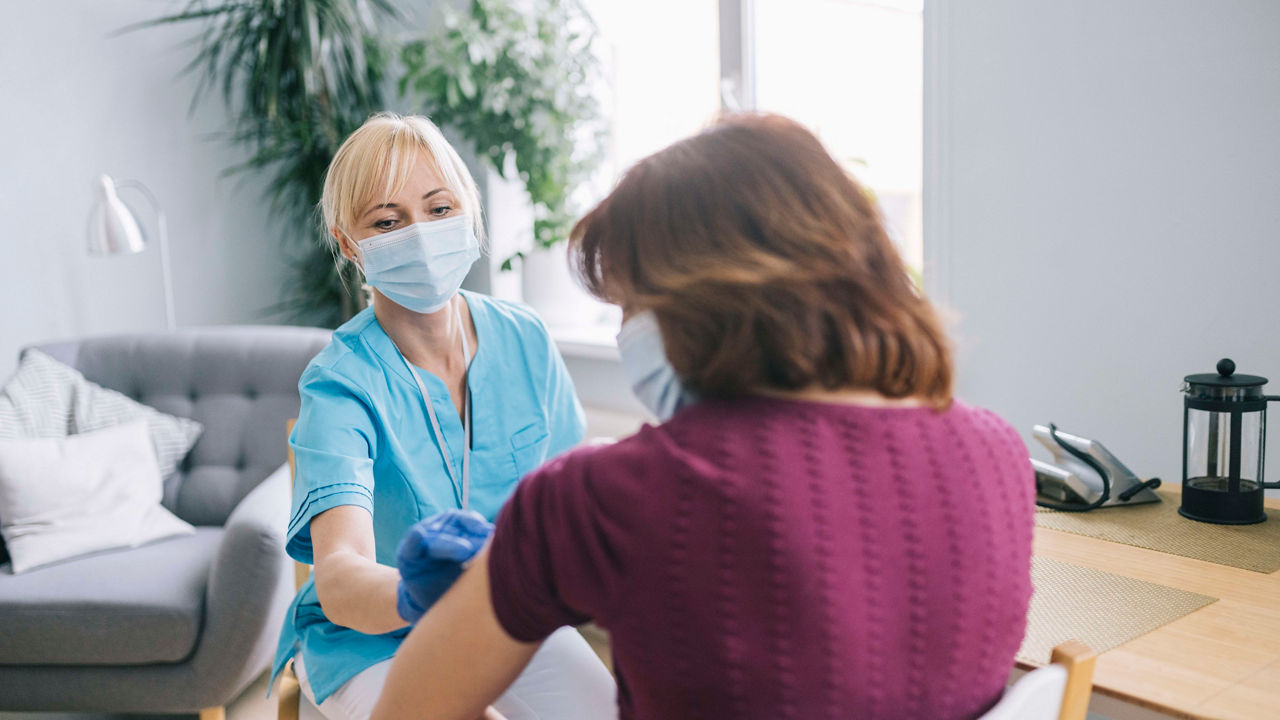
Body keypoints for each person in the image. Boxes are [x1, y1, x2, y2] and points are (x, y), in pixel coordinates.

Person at [369, 114, 1036, 720]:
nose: (626, 330)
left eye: (630, 302)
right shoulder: (998, 454)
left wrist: (506, 571)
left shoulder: (604, 497)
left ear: (700, 302)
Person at [270, 112, 616, 720]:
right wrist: (415, 593)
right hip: (368, 642)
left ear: (470, 214)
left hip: (505, 614)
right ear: (350, 242)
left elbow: (567, 496)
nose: (421, 233)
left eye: (439, 208)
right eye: (387, 220)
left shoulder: (524, 339)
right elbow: (340, 576)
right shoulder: (340, 384)